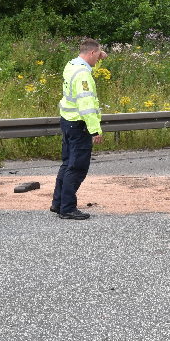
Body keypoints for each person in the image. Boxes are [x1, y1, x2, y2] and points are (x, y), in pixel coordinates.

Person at [51, 38, 107, 220]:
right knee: (77, 167)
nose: (99, 58)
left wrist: (100, 59)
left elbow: (88, 70)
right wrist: (94, 130)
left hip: (67, 120)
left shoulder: (72, 65)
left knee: (67, 163)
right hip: (79, 124)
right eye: (98, 56)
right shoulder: (83, 74)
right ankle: (67, 208)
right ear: (91, 53)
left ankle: (58, 203)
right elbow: (86, 105)